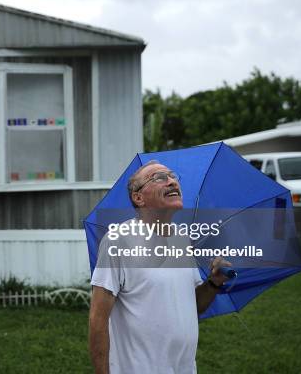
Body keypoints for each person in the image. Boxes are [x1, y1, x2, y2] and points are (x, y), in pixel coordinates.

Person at [88, 160, 232, 374]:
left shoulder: (181, 238)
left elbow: (193, 305)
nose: (172, 182)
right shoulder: (118, 241)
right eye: (160, 178)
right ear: (139, 198)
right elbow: (97, 318)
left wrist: (214, 283)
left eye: (173, 176)